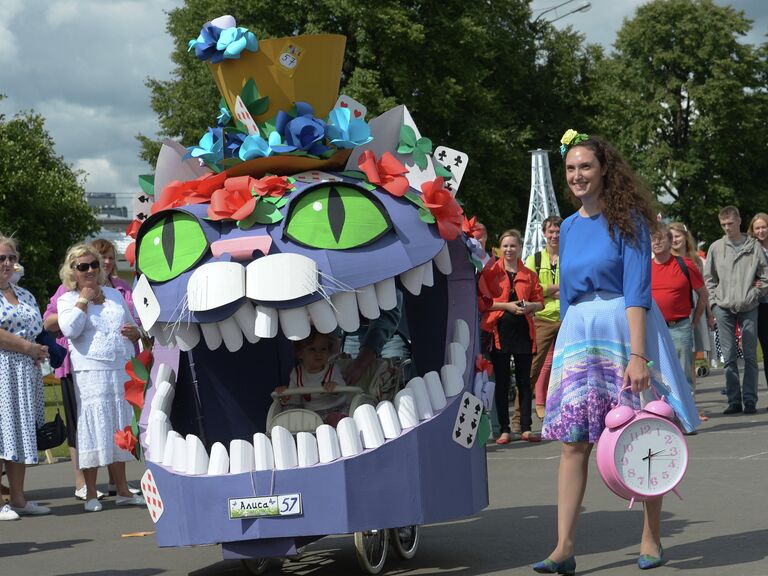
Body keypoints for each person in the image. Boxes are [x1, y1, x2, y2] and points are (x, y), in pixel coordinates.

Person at [537, 131, 698, 574]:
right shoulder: (567, 228)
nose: (577, 176)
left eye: (585, 166)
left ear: (604, 169)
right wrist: (559, 356)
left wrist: (639, 356)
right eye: (570, 169)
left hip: (624, 333)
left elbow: (637, 291)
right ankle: (563, 549)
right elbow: (567, 298)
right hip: (578, 337)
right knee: (573, 441)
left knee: (641, 430)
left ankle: (651, 537)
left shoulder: (628, 219)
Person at [43, 238, 140, 500]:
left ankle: (122, 489)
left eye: (94, 264)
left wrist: (135, 333)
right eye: (82, 266)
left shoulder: (114, 294)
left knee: (118, 426)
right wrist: (83, 300)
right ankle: (90, 494)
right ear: (72, 271)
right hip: (90, 371)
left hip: (118, 367)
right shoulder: (68, 298)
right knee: (92, 428)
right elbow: (70, 329)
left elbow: (133, 324)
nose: (90, 270)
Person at [0, 235, 51, 520]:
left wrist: (40, 348)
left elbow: (36, 329)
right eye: (1, 258)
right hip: (2, 369)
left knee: (20, 433)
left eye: (11, 258)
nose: (7, 263)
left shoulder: (26, 294)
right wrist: (28, 347)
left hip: (25, 372)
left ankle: (18, 497)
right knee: (1, 434)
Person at [479, 229, 544, 444]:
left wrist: (529, 307)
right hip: (500, 332)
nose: (509, 250)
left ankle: (526, 427)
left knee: (524, 382)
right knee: (503, 381)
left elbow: (540, 301)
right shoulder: (490, 272)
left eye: (513, 246)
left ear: (519, 248)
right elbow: (483, 302)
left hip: (523, 332)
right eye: (505, 246)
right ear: (499, 248)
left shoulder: (528, 274)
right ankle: (504, 429)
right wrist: (506, 305)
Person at [703, 206, 768, 415]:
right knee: (729, 357)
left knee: (749, 356)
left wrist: (757, 292)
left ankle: (750, 400)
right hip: (723, 307)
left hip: (749, 306)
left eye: (730, 223)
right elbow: (709, 278)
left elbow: (765, 273)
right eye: (723, 225)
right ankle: (733, 400)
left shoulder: (753, 246)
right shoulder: (715, 247)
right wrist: (713, 302)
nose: (727, 228)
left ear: (739, 220)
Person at [651, 224, 708, 427]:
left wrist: (695, 321)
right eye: (653, 239)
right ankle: (665, 416)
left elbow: (703, 295)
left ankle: (687, 418)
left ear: (669, 241)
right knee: (658, 375)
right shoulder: (645, 267)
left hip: (680, 327)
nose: (656, 242)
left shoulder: (685, 265)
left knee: (683, 375)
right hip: (655, 329)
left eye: (660, 238)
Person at [669, 221, 714, 418]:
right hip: (677, 312)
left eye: (678, 236)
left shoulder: (696, 261)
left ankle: (691, 405)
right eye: (672, 236)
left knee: (690, 361)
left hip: (696, 311)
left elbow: (705, 292)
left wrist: (707, 315)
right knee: (675, 362)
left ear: (685, 237)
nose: (676, 240)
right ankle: (677, 406)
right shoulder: (664, 259)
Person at [525, 216, 562, 419]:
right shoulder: (535, 259)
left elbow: (577, 285)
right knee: (538, 364)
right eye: (551, 231)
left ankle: (557, 403)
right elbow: (532, 288)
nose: (554, 235)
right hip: (543, 317)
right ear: (544, 233)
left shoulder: (571, 256)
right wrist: (555, 289)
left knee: (565, 362)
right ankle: (533, 405)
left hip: (566, 316)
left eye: (558, 231)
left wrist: (546, 290)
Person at [276, 329, 347, 426]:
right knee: (291, 417)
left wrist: (335, 387)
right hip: (311, 414)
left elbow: (342, 389)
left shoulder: (332, 369)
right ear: (300, 353)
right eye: (312, 349)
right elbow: (295, 400)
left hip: (335, 409)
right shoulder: (297, 373)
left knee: (337, 420)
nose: (318, 353)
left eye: (323, 349)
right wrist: (285, 395)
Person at [747, 212, 768, 390]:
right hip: (762, 306)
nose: (761, 230)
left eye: (764, 226)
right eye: (758, 228)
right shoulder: (751, 250)